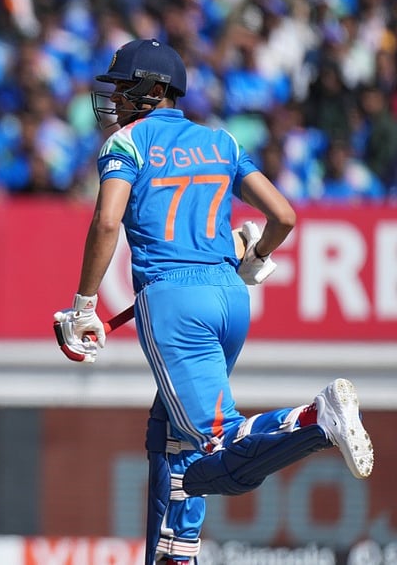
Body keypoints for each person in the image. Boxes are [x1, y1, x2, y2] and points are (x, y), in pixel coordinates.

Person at [53, 38, 375, 565]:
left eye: (124, 88)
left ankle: (314, 421)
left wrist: (83, 303)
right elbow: (284, 216)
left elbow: (107, 221)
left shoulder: (126, 144)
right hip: (229, 295)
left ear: (154, 90)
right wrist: (255, 254)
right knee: (172, 433)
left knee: (214, 451)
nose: (114, 99)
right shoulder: (222, 141)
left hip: (172, 301)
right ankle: (176, 552)